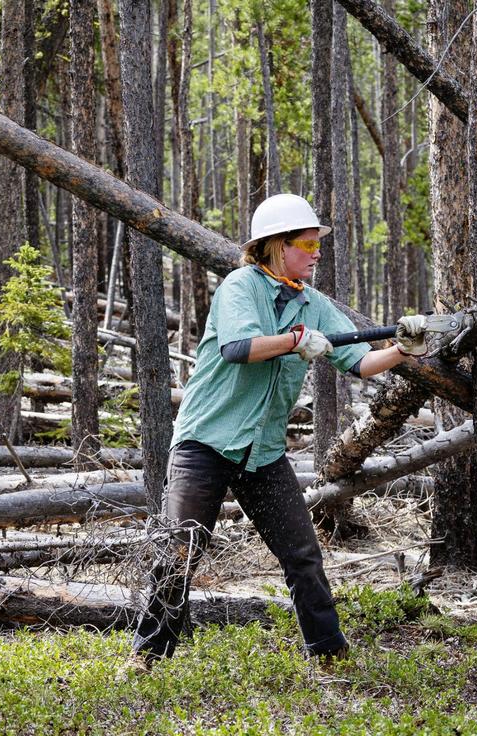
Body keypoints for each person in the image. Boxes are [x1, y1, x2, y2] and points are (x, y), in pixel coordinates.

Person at [130, 193, 427, 668]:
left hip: (262, 453)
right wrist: (294, 341)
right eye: (308, 245)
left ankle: (330, 656)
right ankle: (148, 657)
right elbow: (237, 348)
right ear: (276, 246)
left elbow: (362, 362)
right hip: (206, 442)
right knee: (180, 551)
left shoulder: (315, 303)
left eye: (317, 246)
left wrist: (405, 351)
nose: (315, 253)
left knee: (303, 556)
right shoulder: (240, 287)